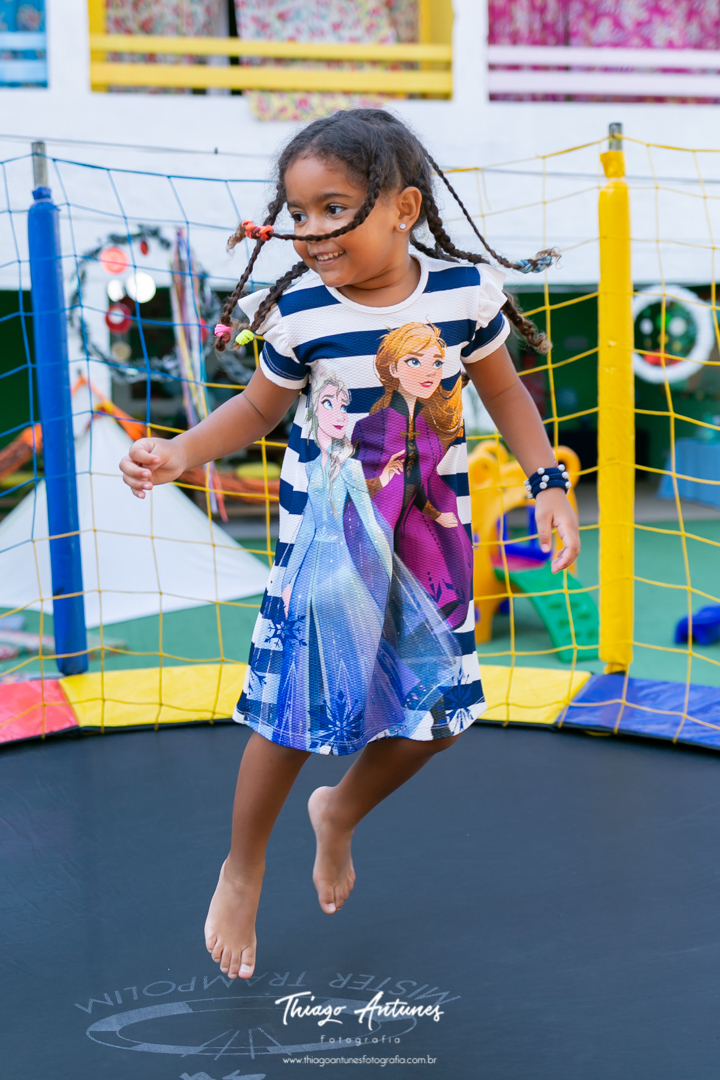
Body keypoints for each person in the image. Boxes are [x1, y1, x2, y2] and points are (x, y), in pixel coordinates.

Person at [119, 108, 580, 982]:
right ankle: (243, 867)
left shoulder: (462, 294)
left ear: (403, 207)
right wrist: (180, 451)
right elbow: (257, 408)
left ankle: (338, 813)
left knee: (440, 721)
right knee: (290, 718)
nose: (312, 232)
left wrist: (548, 483)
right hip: (327, 548)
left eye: (334, 209)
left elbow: (510, 395)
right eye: (298, 213)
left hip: (428, 545)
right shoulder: (300, 311)